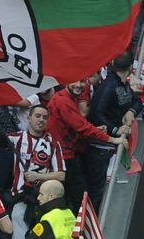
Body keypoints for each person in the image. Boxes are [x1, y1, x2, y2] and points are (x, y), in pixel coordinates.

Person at [0, 104, 66, 239]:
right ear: (28, 118)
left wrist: (39, 177)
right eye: (37, 116)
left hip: (46, 202)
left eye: (45, 117)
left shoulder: (53, 144)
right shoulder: (16, 138)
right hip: (22, 198)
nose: (41, 120)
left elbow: (61, 175)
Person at [47, 80, 127, 210]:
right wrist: (112, 139)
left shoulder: (69, 98)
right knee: (80, 198)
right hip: (63, 156)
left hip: (67, 153)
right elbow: (81, 127)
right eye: (75, 81)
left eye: (83, 81)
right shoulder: (62, 101)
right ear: (67, 81)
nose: (79, 85)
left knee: (76, 195)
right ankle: (82, 229)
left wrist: (95, 129)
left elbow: (76, 127)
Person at [86, 51, 143, 209]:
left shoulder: (121, 83)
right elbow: (96, 114)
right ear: (131, 67)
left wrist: (131, 111)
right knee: (96, 192)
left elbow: (137, 101)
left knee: (100, 191)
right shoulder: (109, 85)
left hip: (109, 147)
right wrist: (116, 129)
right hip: (99, 148)